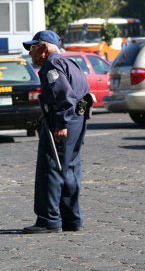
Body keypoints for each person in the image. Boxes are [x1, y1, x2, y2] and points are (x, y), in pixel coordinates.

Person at [22, 30, 89, 234]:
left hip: (64, 119)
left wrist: (61, 124)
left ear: (43, 47)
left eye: (33, 48)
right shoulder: (68, 62)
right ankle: (71, 219)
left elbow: (64, 96)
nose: (30, 53)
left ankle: (48, 219)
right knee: (68, 169)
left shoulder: (52, 64)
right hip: (77, 118)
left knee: (51, 168)